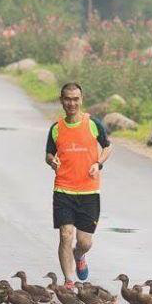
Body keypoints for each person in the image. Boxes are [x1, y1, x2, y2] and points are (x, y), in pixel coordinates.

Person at [44, 82, 112, 289]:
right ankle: (69, 281)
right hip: (63, 189)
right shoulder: (56, 129)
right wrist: (51, 161)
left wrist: (97, 163)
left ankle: (79, 255)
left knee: (84, 242)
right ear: (61, 100)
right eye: (68, 99)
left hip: (89, 192)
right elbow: (48, 153)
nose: (72, 103)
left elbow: (108, 147)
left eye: (76, 99)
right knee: (65, 234)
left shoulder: (93, 124)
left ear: (81, 100)